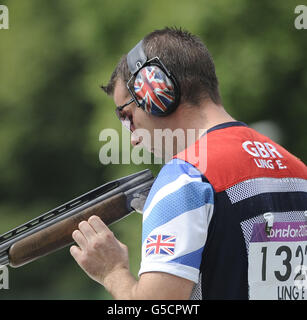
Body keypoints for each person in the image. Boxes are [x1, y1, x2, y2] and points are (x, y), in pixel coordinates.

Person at [70, 27, 307, 300]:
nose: (132, 138)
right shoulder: (296, 171)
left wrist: (112, 271)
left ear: (155, 93)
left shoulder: (186, 175)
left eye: (126, 116)